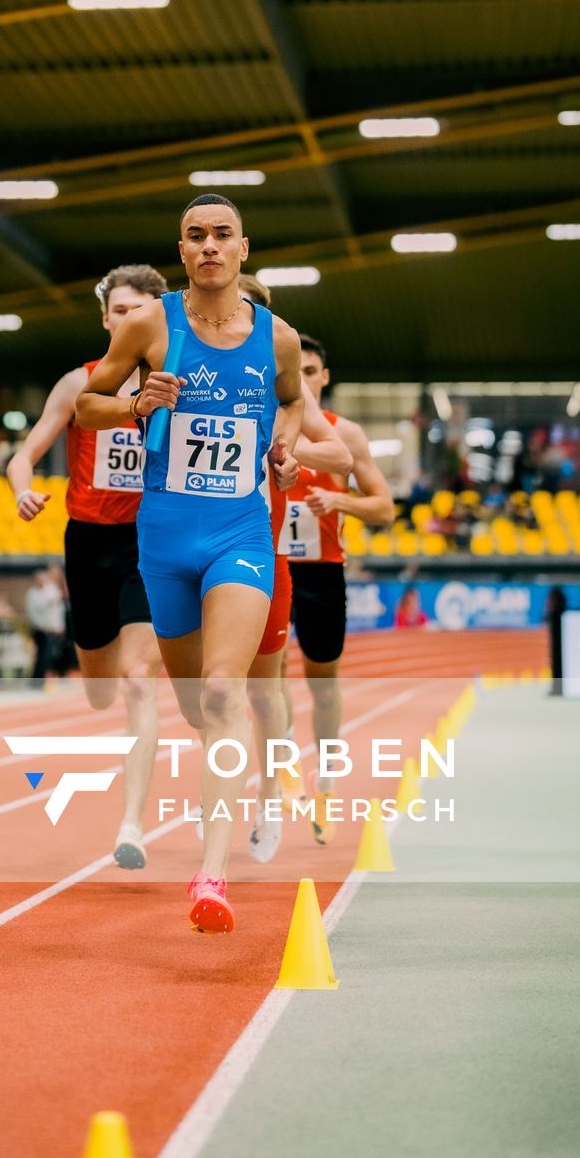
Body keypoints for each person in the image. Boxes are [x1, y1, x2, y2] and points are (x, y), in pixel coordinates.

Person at [77, 195, 303, 933]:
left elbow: (294, 404)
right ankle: (220, 803)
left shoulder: (278, 340)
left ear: (245, 248)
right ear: (183, 251)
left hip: (239, 533)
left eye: (223, 236)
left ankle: (213, 875)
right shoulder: (151, 324)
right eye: (196, 236)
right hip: (164, 539)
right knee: (196, 709)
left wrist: (286, 446)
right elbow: (87, 406)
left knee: (224, 691)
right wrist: (139, 404)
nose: (210, 247)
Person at [7, 262, 168, 870]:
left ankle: (131, 824)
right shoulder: (79, 382)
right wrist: (23, 490)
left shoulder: (173, 382)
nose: (128, 320)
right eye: (119, 311)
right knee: (101, 690)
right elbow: (25, 455)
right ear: (105, 318)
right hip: (87, 543)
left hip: (147, 543)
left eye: (139, 311)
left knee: (136, 681)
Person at [238, 273, 352, 864]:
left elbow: (342, 455)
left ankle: (310, 784)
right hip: (205, 542)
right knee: (211, 692)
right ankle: (269, 778)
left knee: (303, 686)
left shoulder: (285, 391)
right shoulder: (183, 362)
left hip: (284, 557)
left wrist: (284, 450)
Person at [284, 334, 394, 833]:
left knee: (322, 684)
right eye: (295, 371)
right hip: (265, 562)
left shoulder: (344, 434)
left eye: (311, 371)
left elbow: (385, 509)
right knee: (262, 677)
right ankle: (282, 771)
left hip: (322, 570)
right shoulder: (266, 421)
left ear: (323, 377)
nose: (303, 379)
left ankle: (325, 780)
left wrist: (340, 503)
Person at [25, 567, 69, 680]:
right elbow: (38, 610)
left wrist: (59, 627)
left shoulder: (51, 590)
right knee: (41, 656)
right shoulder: (33, 594)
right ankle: (37, 679)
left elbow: (56, 612)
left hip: (51, 630)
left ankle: (46, 678)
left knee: (49, 656)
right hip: (40, 629)